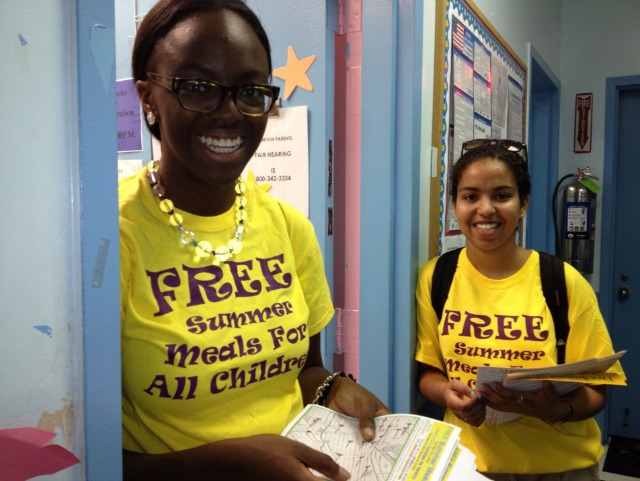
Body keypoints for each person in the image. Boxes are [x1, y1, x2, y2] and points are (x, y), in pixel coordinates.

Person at [119, 1, 389, 480]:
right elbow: (85, 455)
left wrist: (332, 389)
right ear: (147, 97)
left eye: (249, 91)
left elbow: (304, 369)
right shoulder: (110, 240)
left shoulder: (288, 227)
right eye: (198, 88)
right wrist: (227, 463)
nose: (228, 113)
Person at [415, 139, 624, 480]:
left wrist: (555, 409)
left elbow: (596, 389)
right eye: (470, 196)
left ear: (523, 203)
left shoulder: (563, 282)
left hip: (559, 467)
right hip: (469, 466)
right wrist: (447, 395)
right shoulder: (436, 276)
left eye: (501, 195)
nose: (486, 209)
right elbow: (428, 372)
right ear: (454, 204)